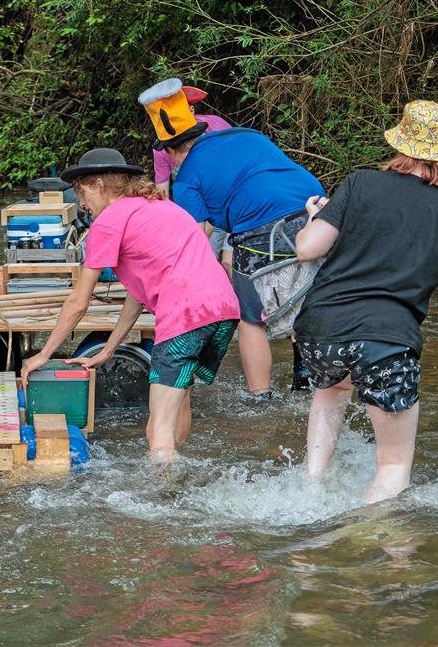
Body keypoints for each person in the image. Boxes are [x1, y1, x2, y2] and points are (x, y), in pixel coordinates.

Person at [293, 100, 438, 503]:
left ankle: (309, 488)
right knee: (393, 466)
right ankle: (374, 553)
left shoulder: (359, 183)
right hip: (386, 339)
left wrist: (314, 216)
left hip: (318, 331)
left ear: (400, 144)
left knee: (332, 390)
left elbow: (308, 249)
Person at [19, 148, 240, 461]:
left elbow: (78, 302)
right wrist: (109, 349)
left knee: (158, 428)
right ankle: (179, 476)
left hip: (185, 315)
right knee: (180, 400)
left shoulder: (108, 222)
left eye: (82, 193)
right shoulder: (158, 207)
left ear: (99, 185)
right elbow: (140, 292)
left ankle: (161, 497)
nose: (82, 204)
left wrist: (42, 354)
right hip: (223, 310)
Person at [139, 77, 325, 399]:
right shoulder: (246, 135)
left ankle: (259, 398)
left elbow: (194, 240)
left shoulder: (186, 180)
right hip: (318, 217)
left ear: (169, 150)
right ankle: (307, 382)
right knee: (306, 298)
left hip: (261, 230)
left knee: (250, 318)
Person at [150, 83, 234, 256]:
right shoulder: (162, 148)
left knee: (226, 263)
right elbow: (162, 196)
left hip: (234, 202)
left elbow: (225, 189)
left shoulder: (215, 131)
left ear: (191, 111)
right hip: (197, 208)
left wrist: (195, 239)